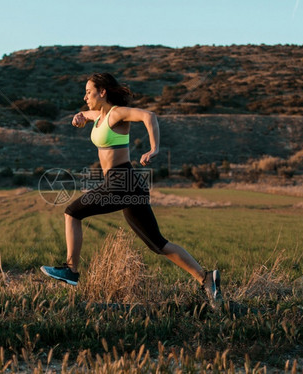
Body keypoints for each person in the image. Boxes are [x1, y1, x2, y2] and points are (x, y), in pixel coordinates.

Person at [40, 73, 222, 309]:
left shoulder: (116, 113)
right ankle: (206, 278)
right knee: (157, 243)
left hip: (121, 181)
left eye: (88, 91)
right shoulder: (99, 116)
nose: (85, 96)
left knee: (72, 212)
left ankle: (71, 271)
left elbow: (149, 116)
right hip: (126, 183)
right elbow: (85, 114)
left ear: (102, 92)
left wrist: (154, 149)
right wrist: (79, 117)